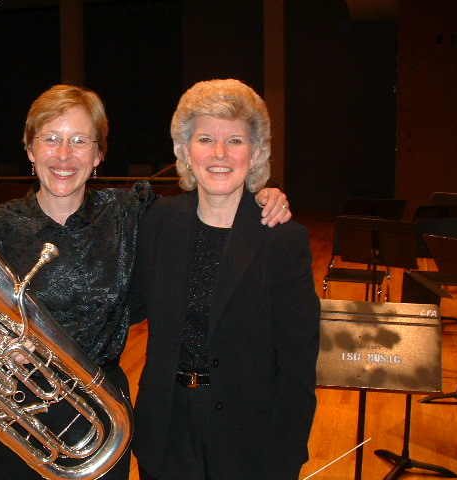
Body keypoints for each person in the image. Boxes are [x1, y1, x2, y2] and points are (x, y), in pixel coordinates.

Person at [0, 84, 292, 480]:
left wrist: (258, 194)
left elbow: (208, 205)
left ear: (98, 154)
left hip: (101, 408)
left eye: (80, 141)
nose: (64, 155)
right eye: (52, 139)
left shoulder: (128, 211)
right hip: (15, 407)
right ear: (30, 149)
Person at [130, 79, 321, 480]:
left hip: (250, 435)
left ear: (255, 155)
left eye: (235, 140)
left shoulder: (282, 238)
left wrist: (283, 460)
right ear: (185, 151)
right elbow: (123, 308)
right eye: (204, 139)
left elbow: (298, 366)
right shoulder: (157, 222)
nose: (219, 154)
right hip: (165, 428)